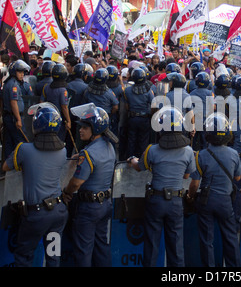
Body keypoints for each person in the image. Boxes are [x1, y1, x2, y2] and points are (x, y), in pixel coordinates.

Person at [128, 106, 196, 267]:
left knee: (151, 244)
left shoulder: (152, 150)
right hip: (175, 202)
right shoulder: (188, 151)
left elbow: (139, 167)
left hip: (156, 200)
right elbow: (186, 175)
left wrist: (131, 159)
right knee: (176, 246)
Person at [1, 104, 68, 267]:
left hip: (36, 214)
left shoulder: (24, 149)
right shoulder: (63, 151)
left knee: (24, 256)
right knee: (53, 258)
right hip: (58, 212)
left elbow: (5, 167)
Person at [62, 104, 117, 267]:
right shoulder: (109, 146)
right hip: (105, 204)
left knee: (83, 251)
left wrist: (66, 192)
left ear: (95, 129)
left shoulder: (89, 153)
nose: (80, 130)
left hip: (88, 208)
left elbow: (77, 182)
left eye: (85, 127)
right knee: (101, 248)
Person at [188, 113, 241, 267]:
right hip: (225, 201)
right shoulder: (234, 154)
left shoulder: (201, 155)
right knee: (230, 238)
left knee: (206, 240)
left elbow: (194, 184)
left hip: (206, 200)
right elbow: (237, 178)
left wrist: (191, 197)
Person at [2, 60, 31, 160]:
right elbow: (13, 103)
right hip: (14, 117)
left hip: (9, 117)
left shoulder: (8, 83)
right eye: (19, 72)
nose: (22, 75)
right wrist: (18, 119)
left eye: (23, 72)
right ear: (14, 72)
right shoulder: (13, 85)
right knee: (20, 142)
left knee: (9, 142)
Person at [124, 67, 155, 158]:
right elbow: (153, 104)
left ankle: (130, 159)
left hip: (132, 118)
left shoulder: (127, 90)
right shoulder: (148, 90)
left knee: (131, 140)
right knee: (144, 140)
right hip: (144, 118)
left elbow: (126, 107)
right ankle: (143, 160)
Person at [40, 63, 71, 142]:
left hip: (47, 117)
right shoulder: (63, 90)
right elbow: (64, 107)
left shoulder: (46, 87)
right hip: (59, 118)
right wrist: (68, 120)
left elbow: (41, 102)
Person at [190, 71, 215, 151]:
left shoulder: (192, 93)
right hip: (206, 120)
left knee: (194, 142)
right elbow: (213, 107)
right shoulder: (209, 93)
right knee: (205, 142)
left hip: (195, 120)